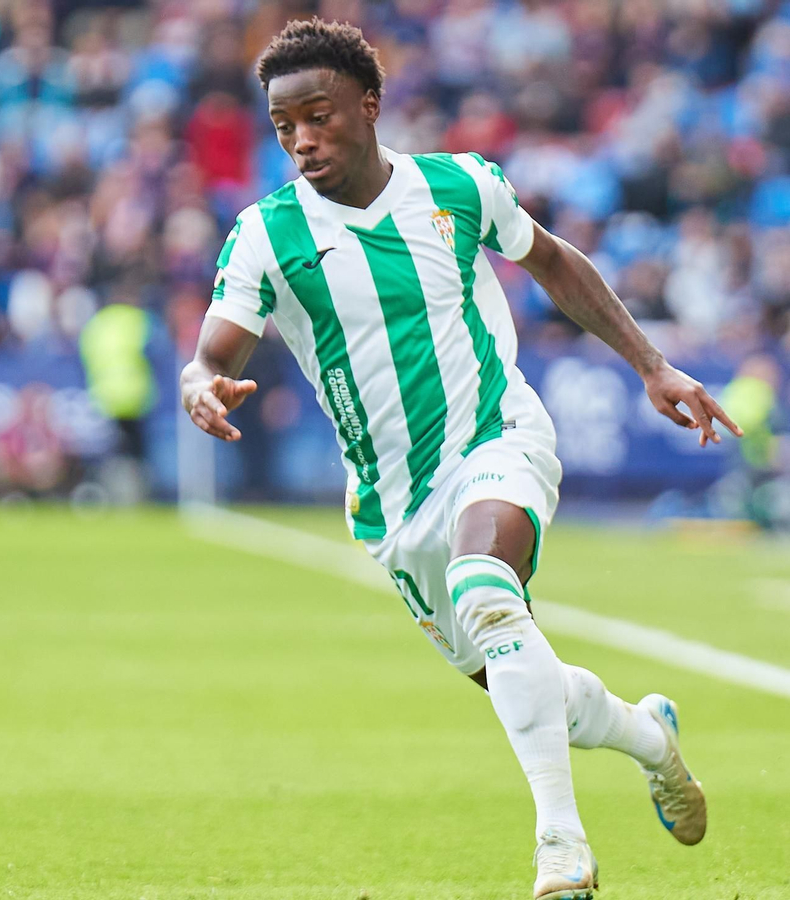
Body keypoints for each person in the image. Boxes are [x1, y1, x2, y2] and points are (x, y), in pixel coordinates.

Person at [180, 19, 740, 900]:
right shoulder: (266, 233)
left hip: (496, 435)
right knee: (523, 676)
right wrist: (199, 383)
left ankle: (562, 846)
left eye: (318, 115)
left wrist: (651, 365)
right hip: (392, 505)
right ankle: (647, 737)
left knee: (489, 590)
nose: (302, 139)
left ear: (369, 105)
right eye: (285, 125)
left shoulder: (459, 185)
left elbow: (551, 260)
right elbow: (216, 351)